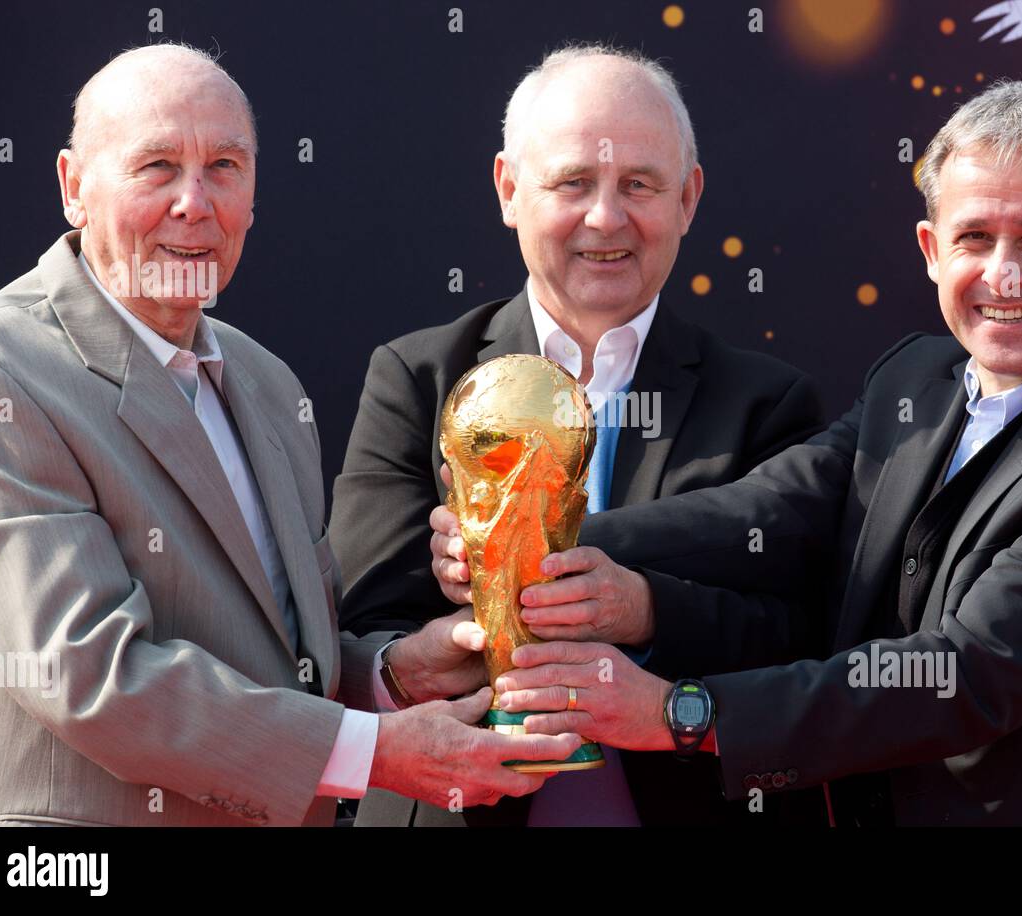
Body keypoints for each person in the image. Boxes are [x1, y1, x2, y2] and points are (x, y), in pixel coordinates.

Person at [431, 77, 1022, 825]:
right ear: (929, 249)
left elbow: (961, 676)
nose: (1005, 272)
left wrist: (681, 711)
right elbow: (766, 511)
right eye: (975, 237)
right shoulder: (914, 377)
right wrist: (528, 532)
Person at [0, 44, 578, 827]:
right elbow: (93, 678)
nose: (195, 202)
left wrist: (395, 676)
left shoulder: (267, 384)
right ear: (73, 188)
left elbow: (276, 656)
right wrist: (379, 752)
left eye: (225, 165)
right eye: (156, 166)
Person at [331, 44, 828, 826]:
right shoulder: (418, 380)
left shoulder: (768, 402)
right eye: (573, 183)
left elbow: (800, 636)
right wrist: (445, 640)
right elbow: (358, 625)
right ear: (509, 189)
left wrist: (646, 609)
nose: (606, 216)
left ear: (689, 199)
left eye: (639, 184)